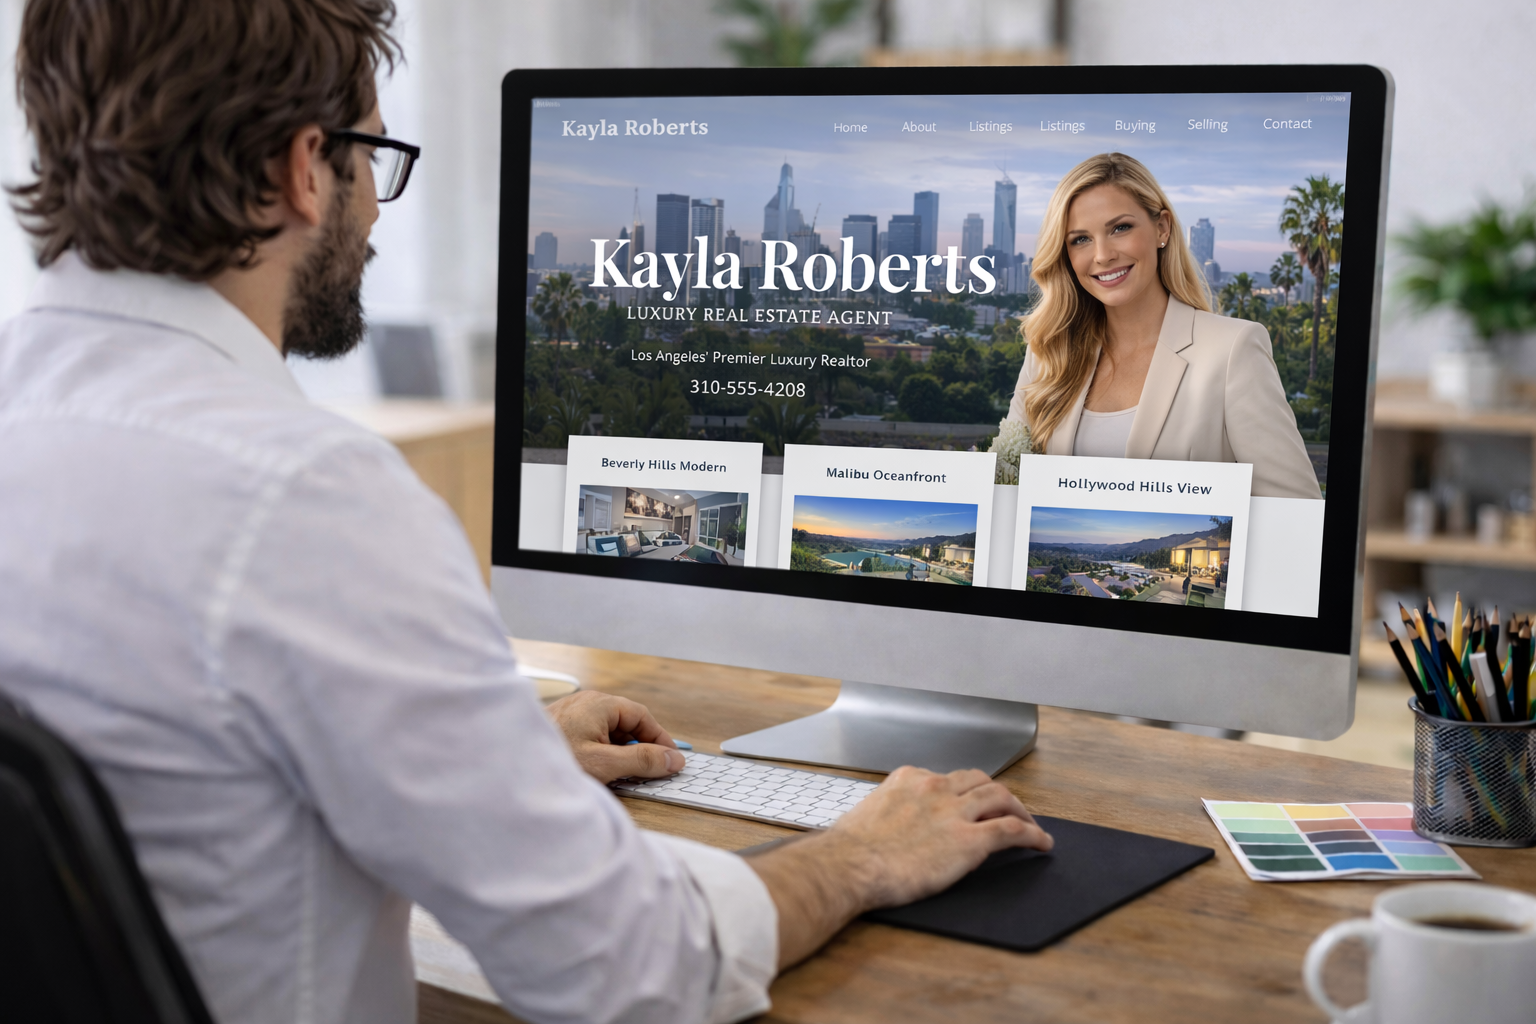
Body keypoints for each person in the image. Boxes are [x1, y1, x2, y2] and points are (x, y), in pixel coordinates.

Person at [0, 3, 1053, 1024]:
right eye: (369, 155)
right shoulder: (301, 496)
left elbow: (192, 769)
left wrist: (485, 756)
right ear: (297, 169)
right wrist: (866, 850)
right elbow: (633, 970)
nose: (374, 206)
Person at [1006, 153, 1322, 500]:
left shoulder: (1233, 350)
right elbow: (1004, 486)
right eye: (1080, 239)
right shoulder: (1048, 353)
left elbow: (1296, 513)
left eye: (1120, 228)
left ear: (1162, 228)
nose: (1102, 255)